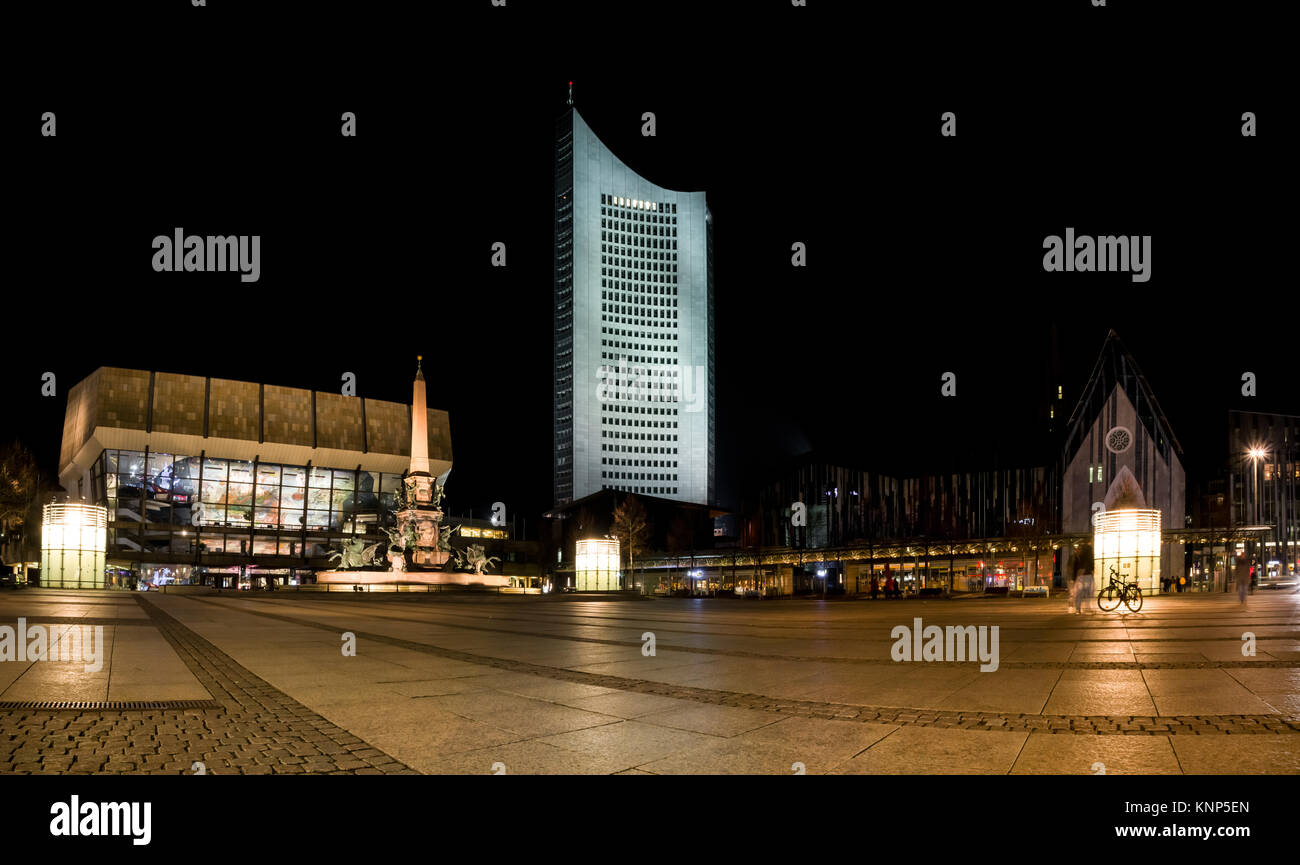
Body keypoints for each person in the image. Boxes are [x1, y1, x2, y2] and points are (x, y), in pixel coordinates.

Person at [1071, 543, 1094, 615]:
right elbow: (1091, 566)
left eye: (1080, 549)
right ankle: (1083, 609)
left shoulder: (1080, 557)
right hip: (1085, 576)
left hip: (1082, 576)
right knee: (1084, 593)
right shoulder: (1085, 557)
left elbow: (1076, 568)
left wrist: (1074, 578)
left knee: (1081, 593)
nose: (1078, 550)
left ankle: (1079, 609)